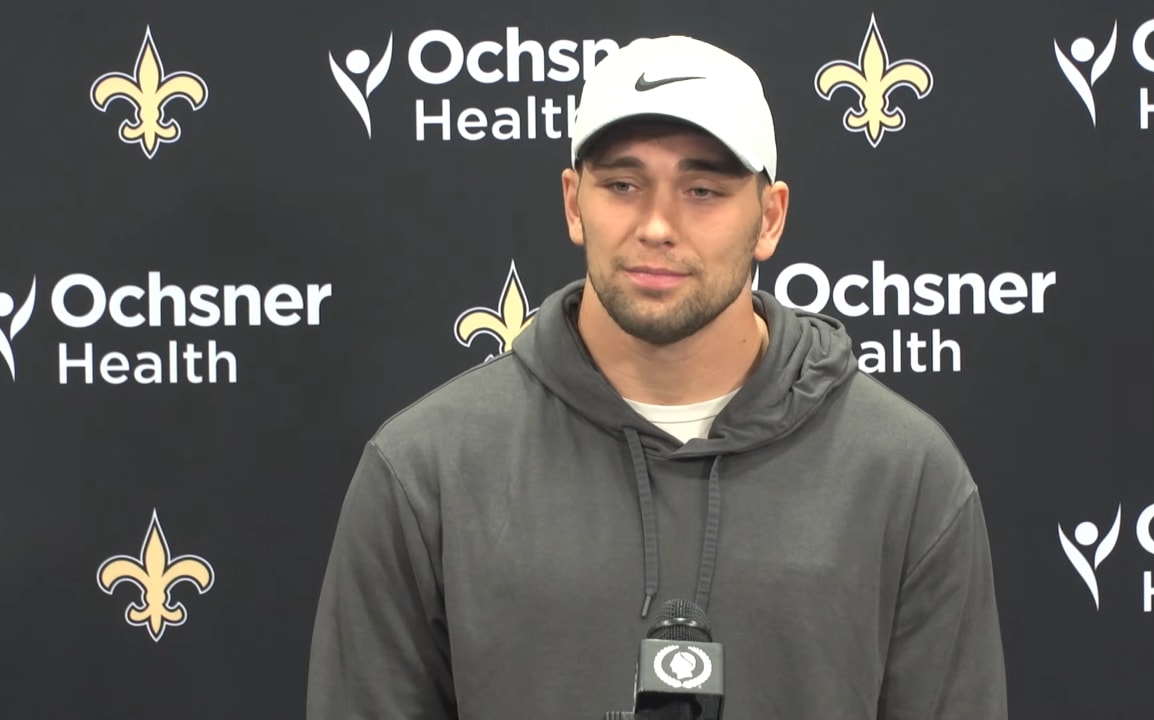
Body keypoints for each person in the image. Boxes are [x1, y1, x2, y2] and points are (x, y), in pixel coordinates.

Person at [307, 34, 1008, 719]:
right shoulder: (425, 468)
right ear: (574, 203)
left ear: (769, 218)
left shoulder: (906, 472)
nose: (657, 224)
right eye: (622, 184)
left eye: (702, 189)